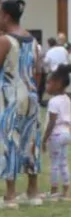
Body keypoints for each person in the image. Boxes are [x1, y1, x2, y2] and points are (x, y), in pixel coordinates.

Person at [0, 0, 42, 208]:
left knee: (8, 141)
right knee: (30, 141)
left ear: (6, 16)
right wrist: (33, 90)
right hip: (31, 94)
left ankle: (10, 196)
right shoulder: (33, 40)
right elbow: (39, 70)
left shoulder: (5, 40)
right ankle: (33, 192)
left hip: (10, 97)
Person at [42, 64, 71, 200]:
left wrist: (44, 139)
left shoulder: (53, 101)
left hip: (56, 135)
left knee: (54, 164)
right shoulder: (67, 99)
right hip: (66, 134)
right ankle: (65, 191)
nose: (46, 86)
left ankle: (53, 191)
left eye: (49, 83)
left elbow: (51, 123)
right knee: (63, 162)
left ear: (58, 84)